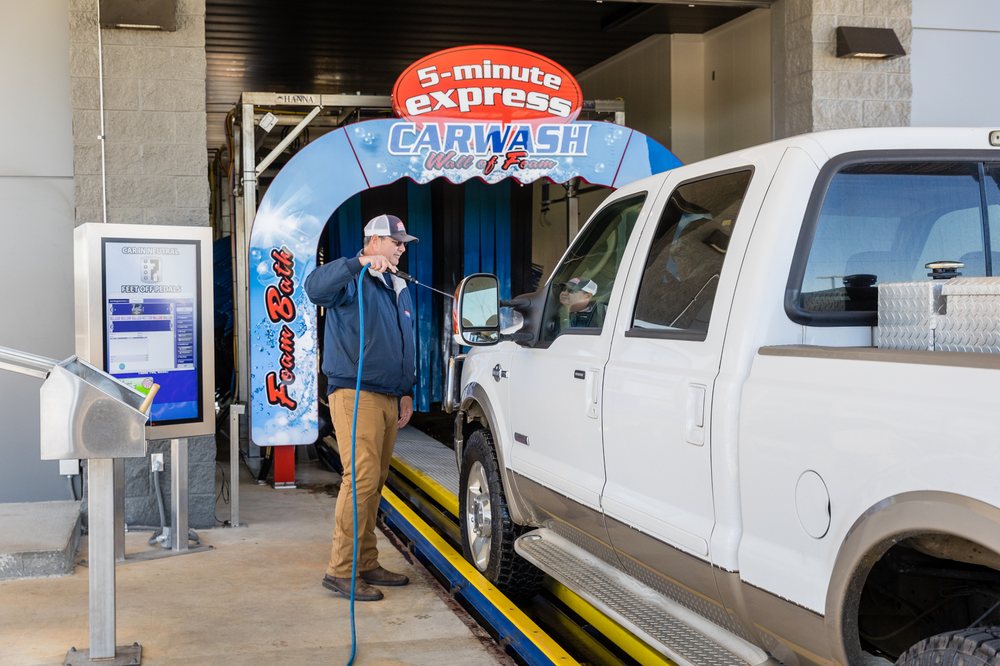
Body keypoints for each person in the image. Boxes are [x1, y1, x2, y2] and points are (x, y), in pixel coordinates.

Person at [304, 213, 418, 602]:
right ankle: (340, 571)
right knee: (362, 480)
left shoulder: (398, 285)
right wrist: (359, 264)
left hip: (388, 395)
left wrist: (406, 390)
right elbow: (314, 288)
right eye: (396, 241)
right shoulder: (352, 278)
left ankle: (366, 561)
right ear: (373, 241)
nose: (402, 248)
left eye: (404, 243)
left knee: (375, 482)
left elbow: (405, 340)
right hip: (356, 393)